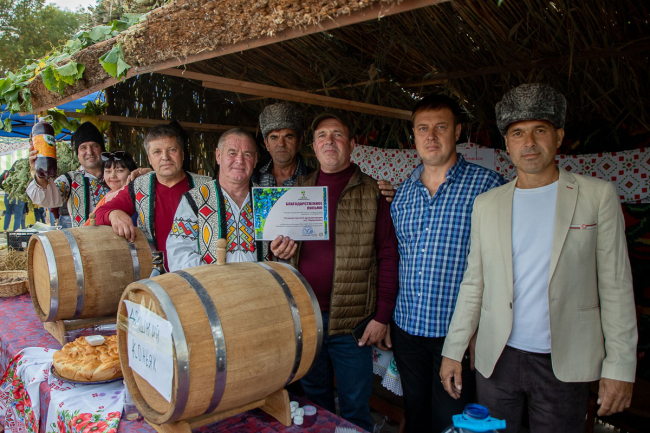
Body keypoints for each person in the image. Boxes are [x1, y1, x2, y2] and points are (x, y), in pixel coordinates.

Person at [440, 84, 638, 432]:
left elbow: (616, 287)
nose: (529, 142)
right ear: (507, 144)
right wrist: (453, 349)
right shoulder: (487, 204)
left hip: (564, 361)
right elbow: (473, 283)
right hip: (498, 359)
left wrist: (620, 367)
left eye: (539, 130)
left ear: (558, 136)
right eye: (518, 133)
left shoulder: (596, 196)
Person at [271, 113, 399, 432]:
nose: (329, 141)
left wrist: (382, 316)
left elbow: (387, 255)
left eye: (337, 134)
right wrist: (279, 252)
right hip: (308, 317)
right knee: (315, 403)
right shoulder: (296, 191)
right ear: (314, 147)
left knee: (355, 407)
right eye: (322, 136)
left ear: (352, 144)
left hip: (353, 323)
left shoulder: (373, 192)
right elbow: (281, 254)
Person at [389, 95, 506, 432]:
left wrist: (482, 327)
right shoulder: (403, 193)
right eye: (422, 128)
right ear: (414, 135)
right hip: (407, 328)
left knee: (451, 422)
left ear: (457, 132)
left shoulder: (488, 186)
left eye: (441, 127)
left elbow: (501, 265)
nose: (431, 136)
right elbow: (396, 258)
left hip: (456, 334)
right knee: (416, 415)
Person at [94, 124, 211, 272]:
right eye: (157, 152)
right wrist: (113, 214)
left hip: (200, 274)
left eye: (172, 150)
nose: (165, 157)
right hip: (155, 276)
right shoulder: (140, 187)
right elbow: (99, 214)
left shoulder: (207, 187)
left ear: (182, 154)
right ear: (149, 159)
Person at [167, 128, 262, 270]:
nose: (239, 160)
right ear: (218, 155)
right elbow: (179, 253)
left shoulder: (265, 199)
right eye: (232, 153)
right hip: (211, 283)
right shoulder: (196, 200)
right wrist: (216, 278)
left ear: (255, 160)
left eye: (247, 154)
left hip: (261, 283)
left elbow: (279, 250)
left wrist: (281, 248)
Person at [26, 122, 110, 227]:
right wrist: (40, 171)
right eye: (83, 147)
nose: (89, 152)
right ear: (78, 154)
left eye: (94, 146)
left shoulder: (117, 175)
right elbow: (48, 199)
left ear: (102, 150)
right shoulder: (70, 179)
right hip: (83, 237)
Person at [85, 151, 138, 226]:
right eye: (108, 171)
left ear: (132, 172)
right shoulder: (109, 195)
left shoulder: (135, 196)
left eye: (119, 170)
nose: (113, 176)